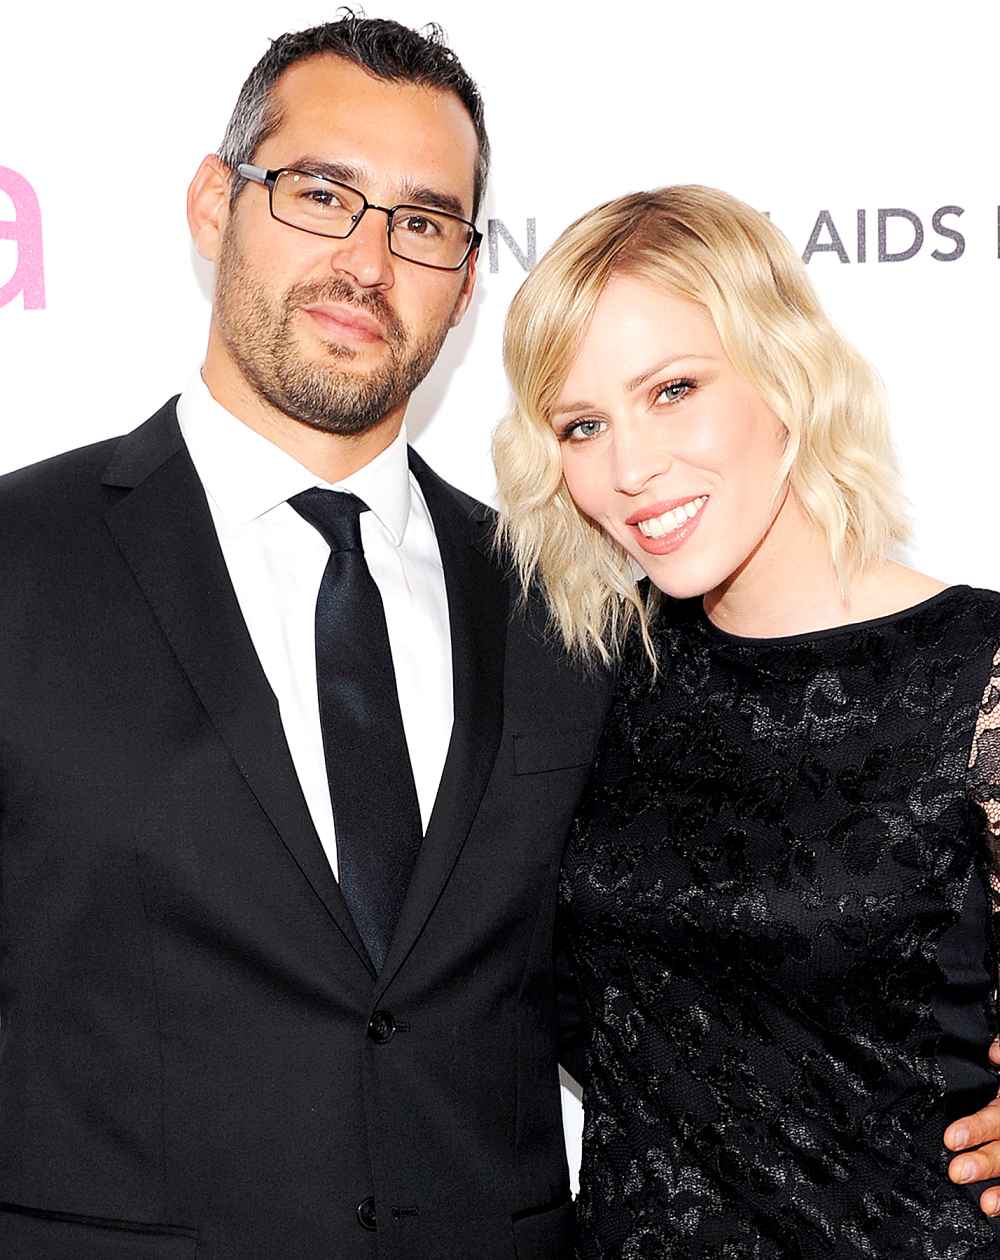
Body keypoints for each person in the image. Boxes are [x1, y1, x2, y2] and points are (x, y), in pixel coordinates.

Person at [0, 16, 613, 1258]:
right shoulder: (19, 558)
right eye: (323, 194)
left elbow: (671, 976)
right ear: (214, 205)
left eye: (424, 222)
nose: (368, 260)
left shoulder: (566, 602)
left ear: (466, 274)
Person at [494, 183, 1000, 1256]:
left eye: (672, 389)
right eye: (583, 425)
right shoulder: (592, 672)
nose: (629, 470)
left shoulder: (980, 674)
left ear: (785, 370)